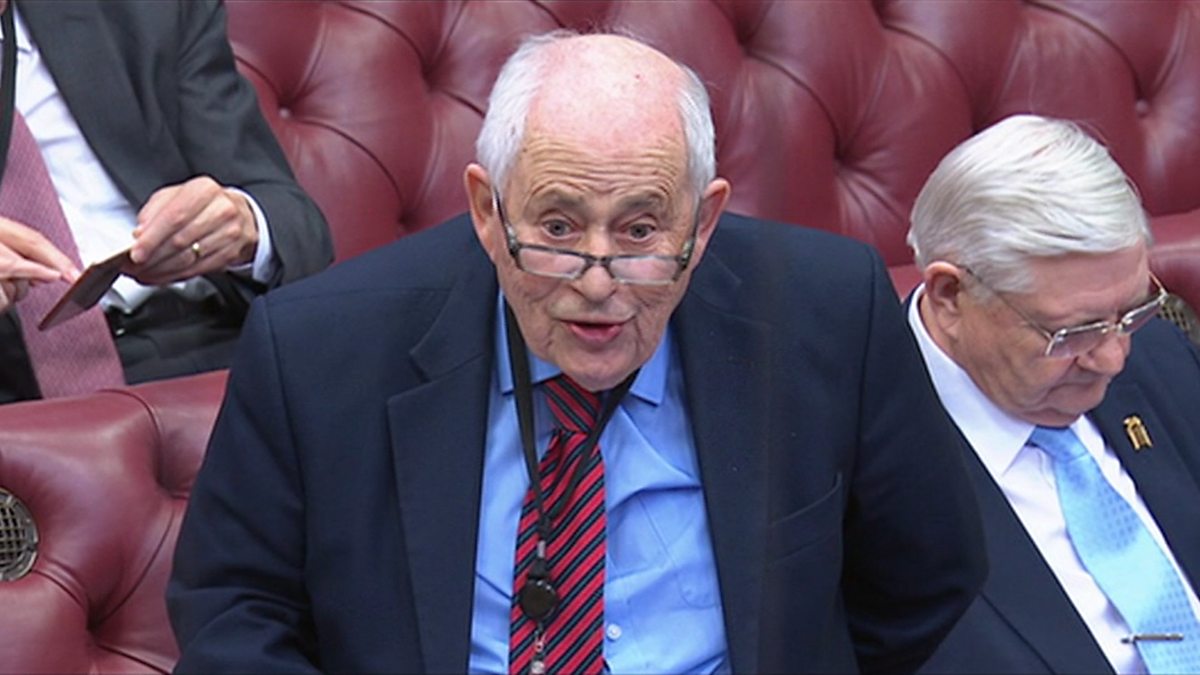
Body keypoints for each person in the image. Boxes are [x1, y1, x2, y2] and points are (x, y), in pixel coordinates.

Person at [168, 30, 985, 673]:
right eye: (557, 227)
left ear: (703, 223)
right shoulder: (317, 351)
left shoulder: (827, 313)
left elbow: (924, 577)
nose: (598, 282)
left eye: (640, 230)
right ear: (488, 211)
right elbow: (232, 614)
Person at [907, 115, 1200, 674]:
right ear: (949, 296)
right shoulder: (850, 459)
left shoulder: (1161, 356)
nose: (1113, 358)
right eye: (1074, 333)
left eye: (1131, 312)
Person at [0, 0, 332, 402]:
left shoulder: (148, 12)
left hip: (209, 341)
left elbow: (292, 219)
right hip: (18, 395)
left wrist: (241, 225)